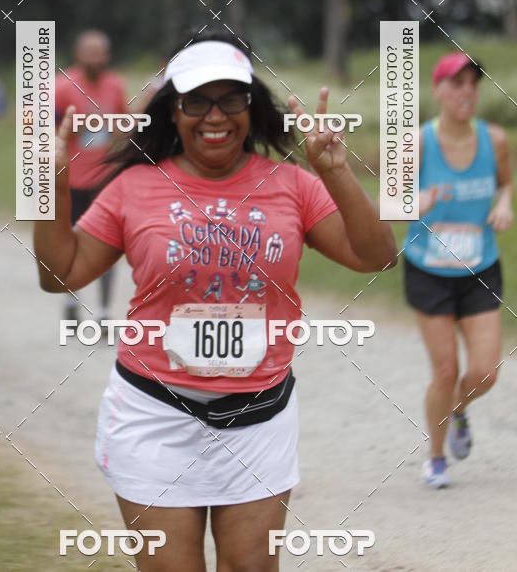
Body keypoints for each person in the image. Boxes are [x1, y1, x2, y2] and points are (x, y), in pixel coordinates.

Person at [34, 29, 397, 570]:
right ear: (173, 110)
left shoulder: (291, 184)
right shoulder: (136, 186)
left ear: (251, 106)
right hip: (153, 413)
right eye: (196, 101)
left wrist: (335, 170)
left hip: (260, 415)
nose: (215, 116)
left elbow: (376, 256)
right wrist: (53, 182)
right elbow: (58, 274)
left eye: (231, 99)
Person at [403, 52, 514, 489]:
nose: (466, 92)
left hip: (480, 267)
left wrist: (504, 204)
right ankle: (435, 456)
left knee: (485, 372)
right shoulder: (415, 143)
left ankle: (459, 409)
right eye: (456, 83)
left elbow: (506, 182)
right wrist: (416, 203)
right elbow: (386, 207)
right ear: (438, 90)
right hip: (428, 270)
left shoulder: (496, 139)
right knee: (446, 371)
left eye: (472, 83)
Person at [54, 30, 127, 324]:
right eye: (90, 52)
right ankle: (71, 296)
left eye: (101, 52)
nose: (96, 58)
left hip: (105, 179)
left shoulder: (115, 86)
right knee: (72, 240)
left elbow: (121, 125)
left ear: (107, 56)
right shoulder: (62, 87)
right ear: (78, 54)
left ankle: (105, 310)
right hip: (71, 179)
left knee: (108, 243)